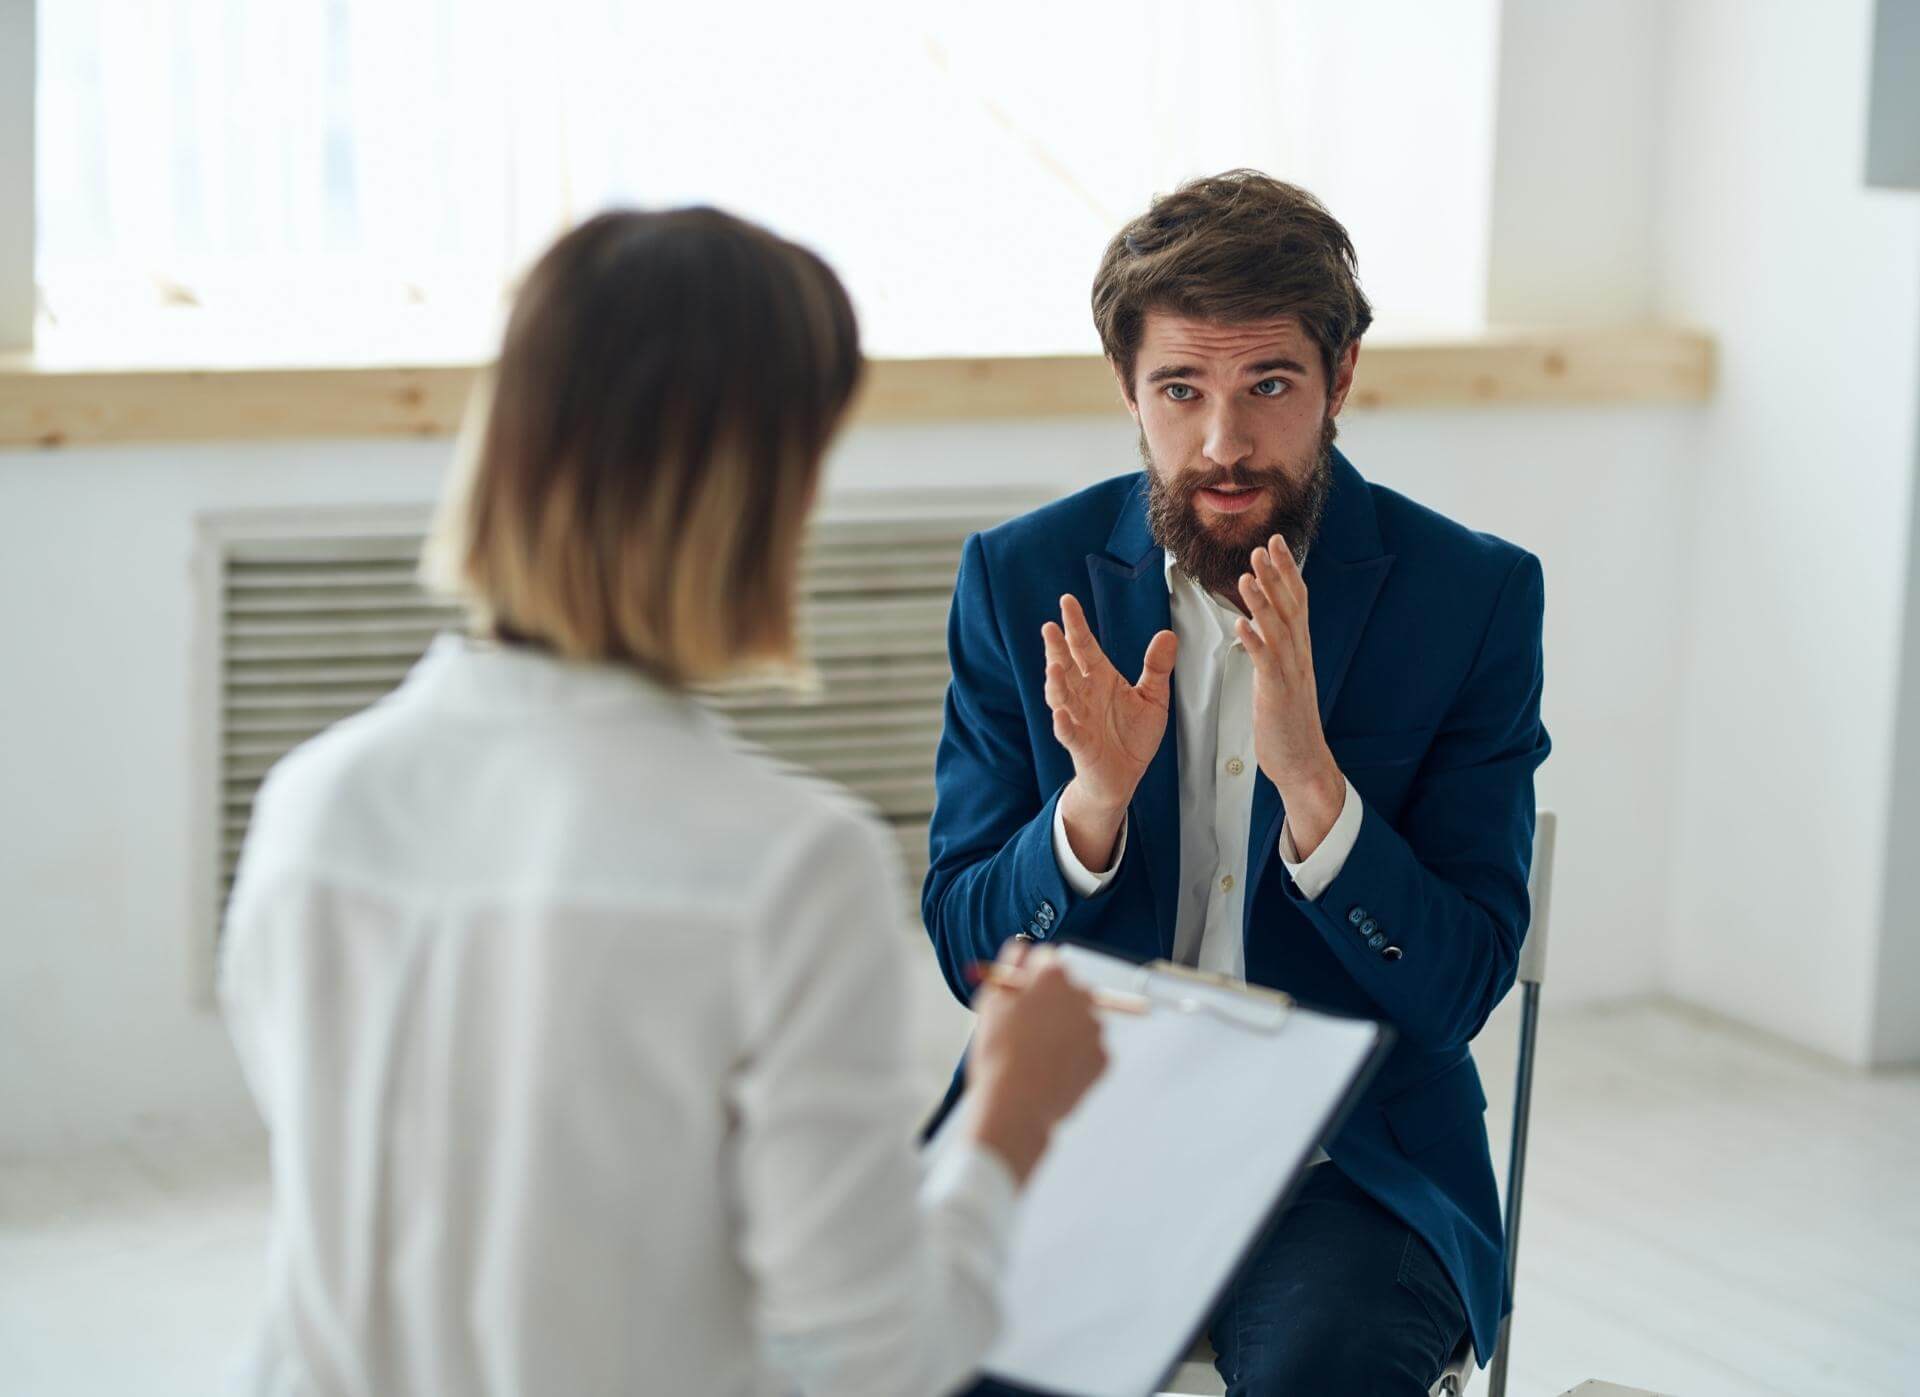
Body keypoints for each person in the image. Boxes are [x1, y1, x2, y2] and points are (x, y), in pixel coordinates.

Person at [219, 207, 1108, 1397]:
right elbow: (875, 1354)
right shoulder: (791, 867)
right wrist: (1010, 1114)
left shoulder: (311, 804)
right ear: (758, 491)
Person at [922, 170, 1551, 1395]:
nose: (1222, 441)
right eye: (1180, 390)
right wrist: (1088, 810)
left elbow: (1460, 984)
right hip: (1076, 1134)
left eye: (1269, 385)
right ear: (1129, 390)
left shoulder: (1471, 596)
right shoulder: (1018, 576)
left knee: (1327, 1369)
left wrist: (1314, 783)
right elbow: (966, 949)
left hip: (1349, 1161)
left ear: (1342, 377)